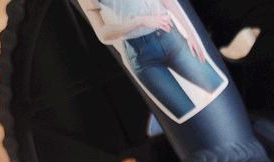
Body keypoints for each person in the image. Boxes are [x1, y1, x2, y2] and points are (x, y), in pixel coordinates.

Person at [78, 0, 226, 121]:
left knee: (218, 88)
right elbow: (103, 33)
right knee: (189, 116)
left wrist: (190, 33)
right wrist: (141, 21)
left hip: (172, 38)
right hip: (142, 57)